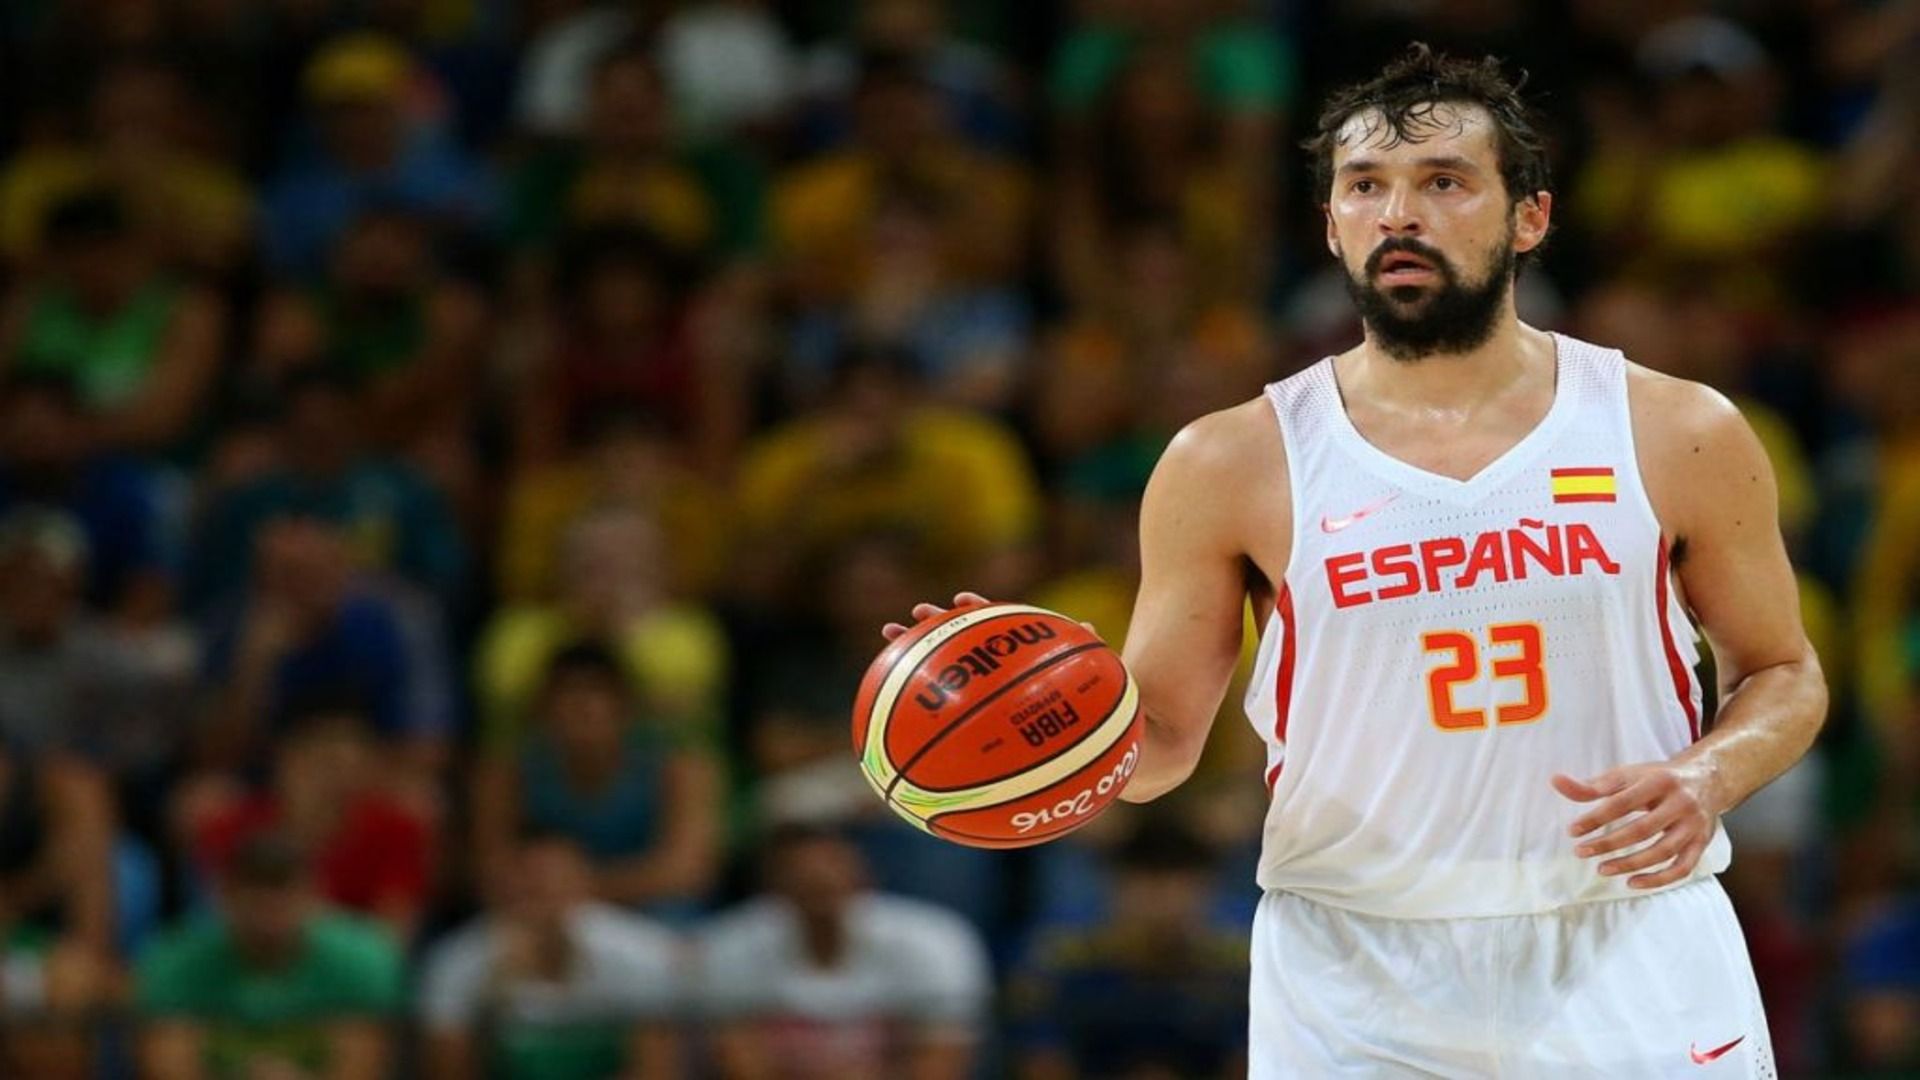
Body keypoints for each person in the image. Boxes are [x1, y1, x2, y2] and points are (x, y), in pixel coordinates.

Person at [883, 45, 1827, 1076]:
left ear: (1530, 218)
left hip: (1628, 930)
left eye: (1444, 183)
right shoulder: (1228, 460)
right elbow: (1156, 750)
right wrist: (1018, 713)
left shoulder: (1676, 428)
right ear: (1331, 225)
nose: (1399, 214)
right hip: (1355, 967)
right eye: (1366, 186)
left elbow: (1785, 672)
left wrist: (1707, 775)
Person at [696, 824, 991, 1080]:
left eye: (830, 865)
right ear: (771, 884)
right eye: (798, 871)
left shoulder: (933, 942)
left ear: (864, 874)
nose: (816, 877)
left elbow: (940, 1067)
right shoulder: (732, 947)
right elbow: (741, 1065)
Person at [419, 831, 684, 1080]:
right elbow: (447, 1070)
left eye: (554, 886)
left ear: (583, 886)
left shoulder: (639, 953)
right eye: (529, 889)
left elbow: (657, 1070)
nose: (542, 904)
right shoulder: (455, 963)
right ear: (499, 888)